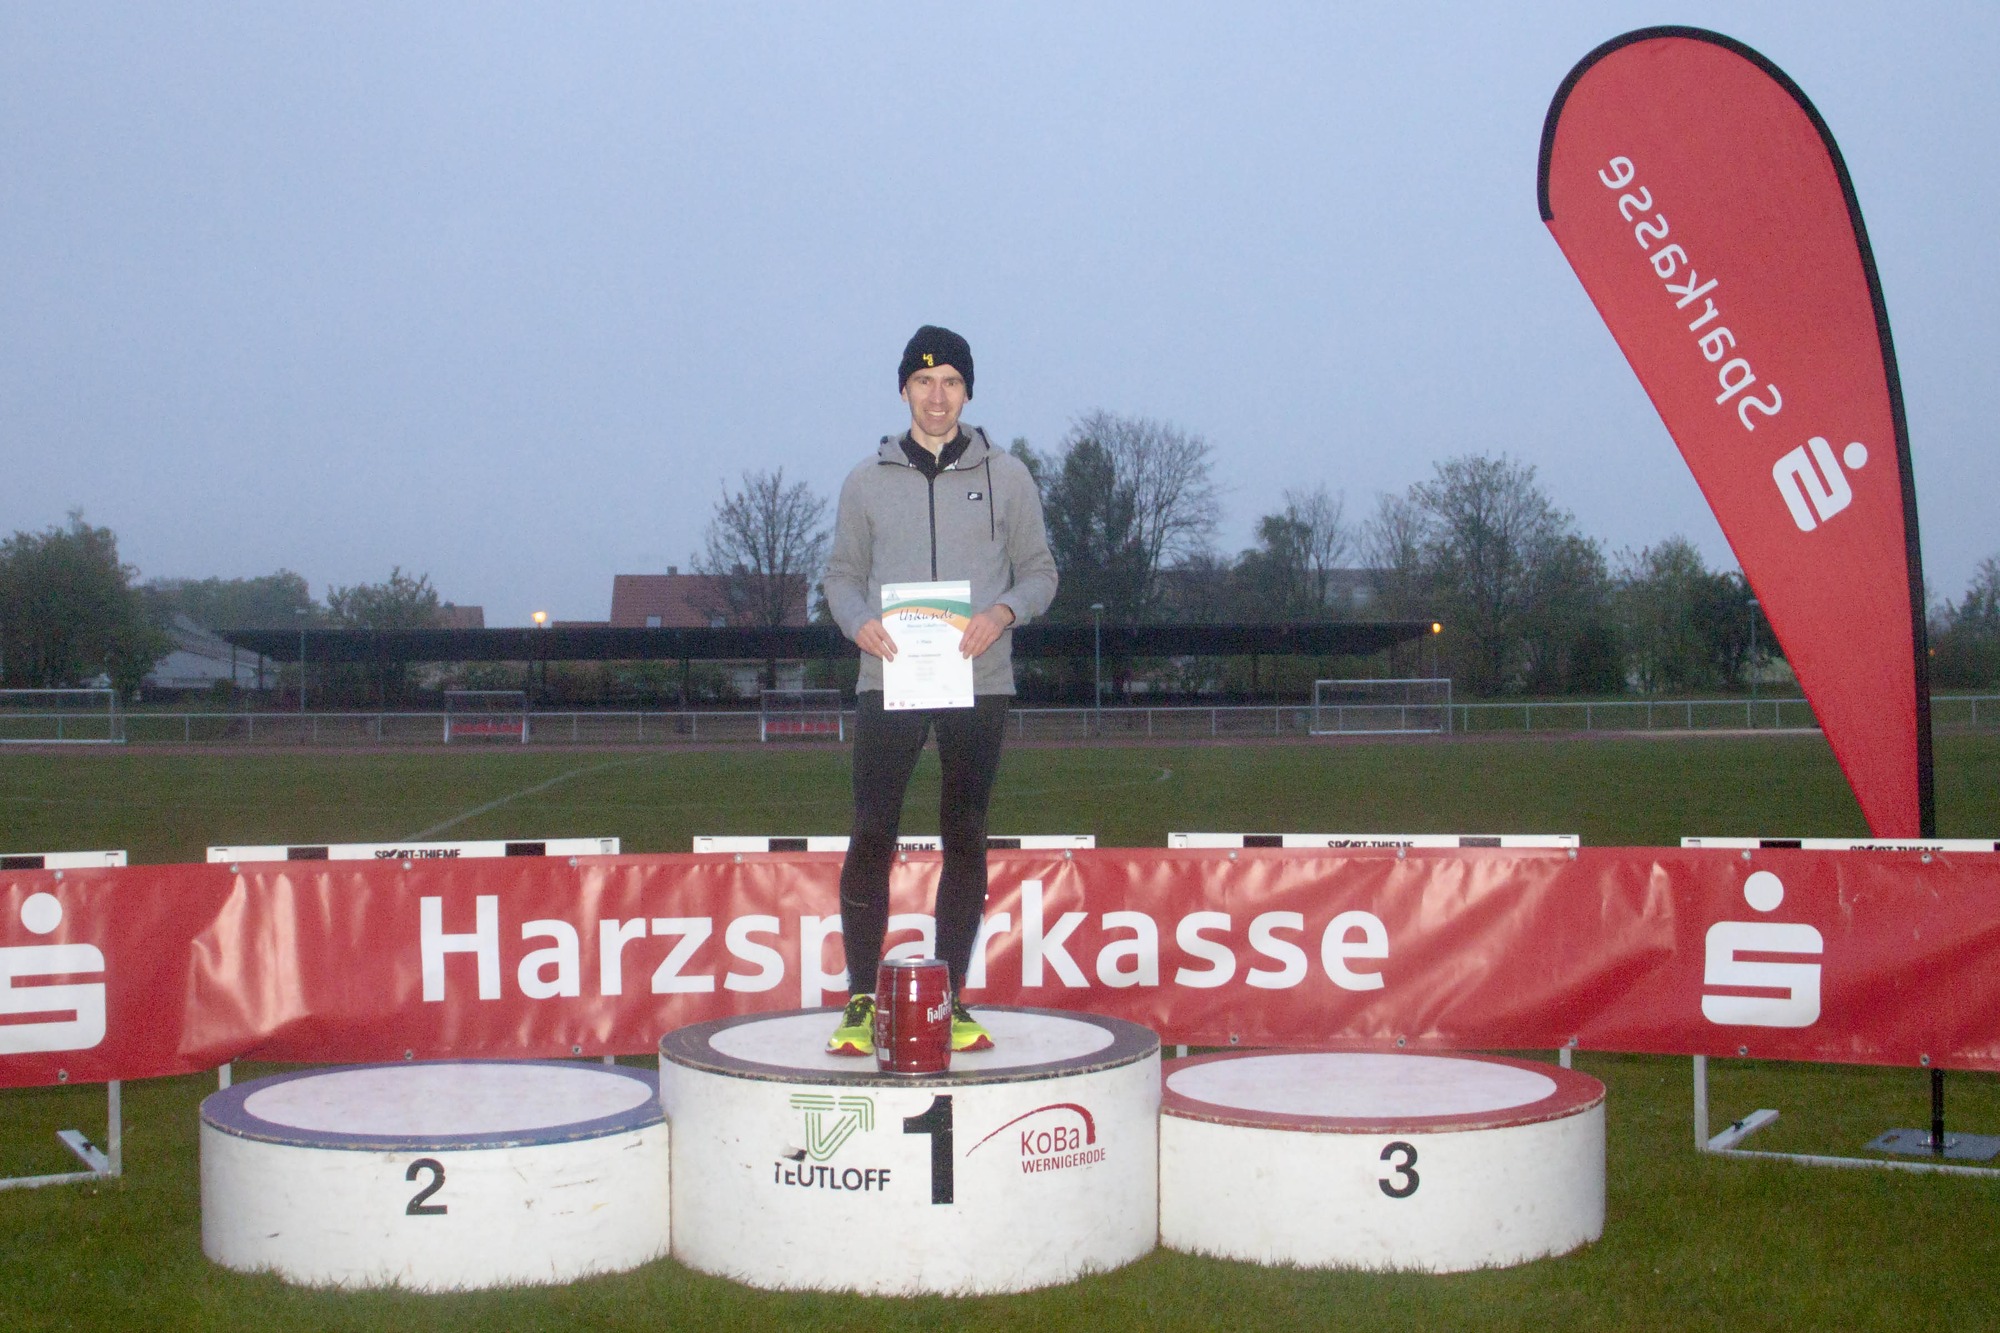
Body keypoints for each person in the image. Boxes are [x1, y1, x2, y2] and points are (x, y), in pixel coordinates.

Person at [819, 325, 1058, 1055]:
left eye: (951, 381)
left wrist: (1002, 612)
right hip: (888, 675)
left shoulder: (1008, 476)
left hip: (978, 680)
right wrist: (858, 623)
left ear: (967, 392)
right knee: (872, 832)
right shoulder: (865, 480)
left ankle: (949, 996)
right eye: (924, 381)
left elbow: (1041, 573)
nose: (937, 395)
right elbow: (840, 577)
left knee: (965, 833)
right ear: (903, 390)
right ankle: (862, 998)